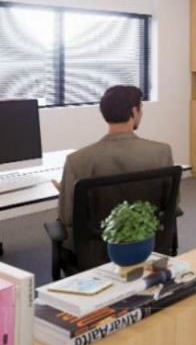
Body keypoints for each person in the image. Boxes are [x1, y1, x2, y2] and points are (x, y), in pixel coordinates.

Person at [53, 85, 174, 249]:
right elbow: (172, 204)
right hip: (149, 243)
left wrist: (65, 190)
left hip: (97, 251)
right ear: (134, 111)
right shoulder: (161, 152)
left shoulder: (77, 161)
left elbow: (67, 217)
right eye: (142, 108)